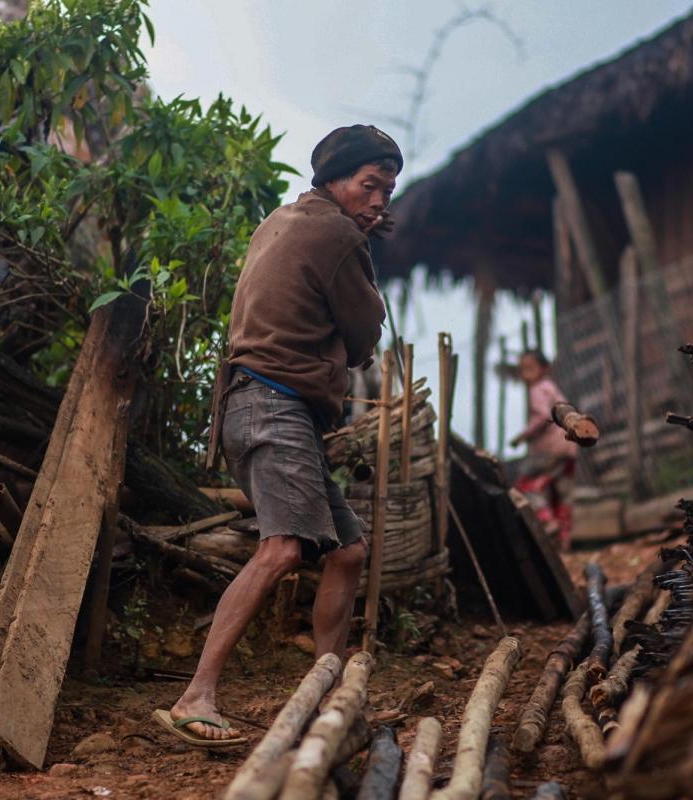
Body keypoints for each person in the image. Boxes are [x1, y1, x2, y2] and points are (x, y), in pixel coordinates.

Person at [154, 125, 401, 747]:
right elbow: (367, 336)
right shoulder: (340, 234)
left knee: (345, 551)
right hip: (275, 404)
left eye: (388, 191)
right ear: (337, 181)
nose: (379, 202)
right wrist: (363, 260)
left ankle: (328, 695)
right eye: (370, 187)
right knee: (284, 549)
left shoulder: (283, 219)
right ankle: (195, 696)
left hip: (254, 404)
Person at [509, 350, 576, 550]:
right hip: (569, 447)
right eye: (522, 369)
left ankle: (547, 522)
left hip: (550, 449)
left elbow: (541, 417)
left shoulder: (537, 389)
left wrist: (522, 436)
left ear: (544, 369)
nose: (525, 374)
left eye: (530, 368)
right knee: (562, 495)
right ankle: (564, 542)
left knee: (525, 486)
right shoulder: (552, 388)